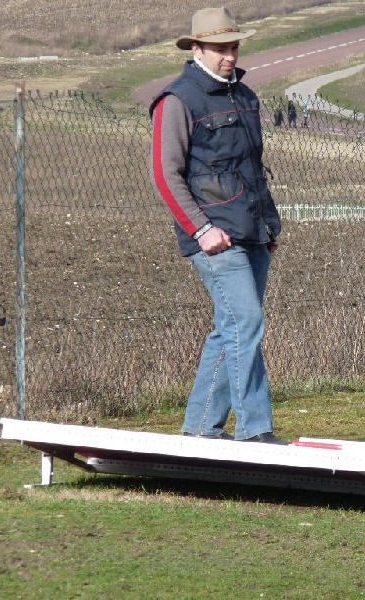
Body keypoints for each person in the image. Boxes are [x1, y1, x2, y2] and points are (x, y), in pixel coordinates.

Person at [149, 7, 286, 444]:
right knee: (246, 322)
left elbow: (253, 168)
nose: (230, 55)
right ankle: (255, 430)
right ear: (196, 48)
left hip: (253, 232)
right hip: (213, 238)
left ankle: (201, 426)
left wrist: (268, 228)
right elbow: (164, 175)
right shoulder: (177, 101)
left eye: (234, 47)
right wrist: (200, 230)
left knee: (231, 328)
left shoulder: (245, 97)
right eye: (221, 48)